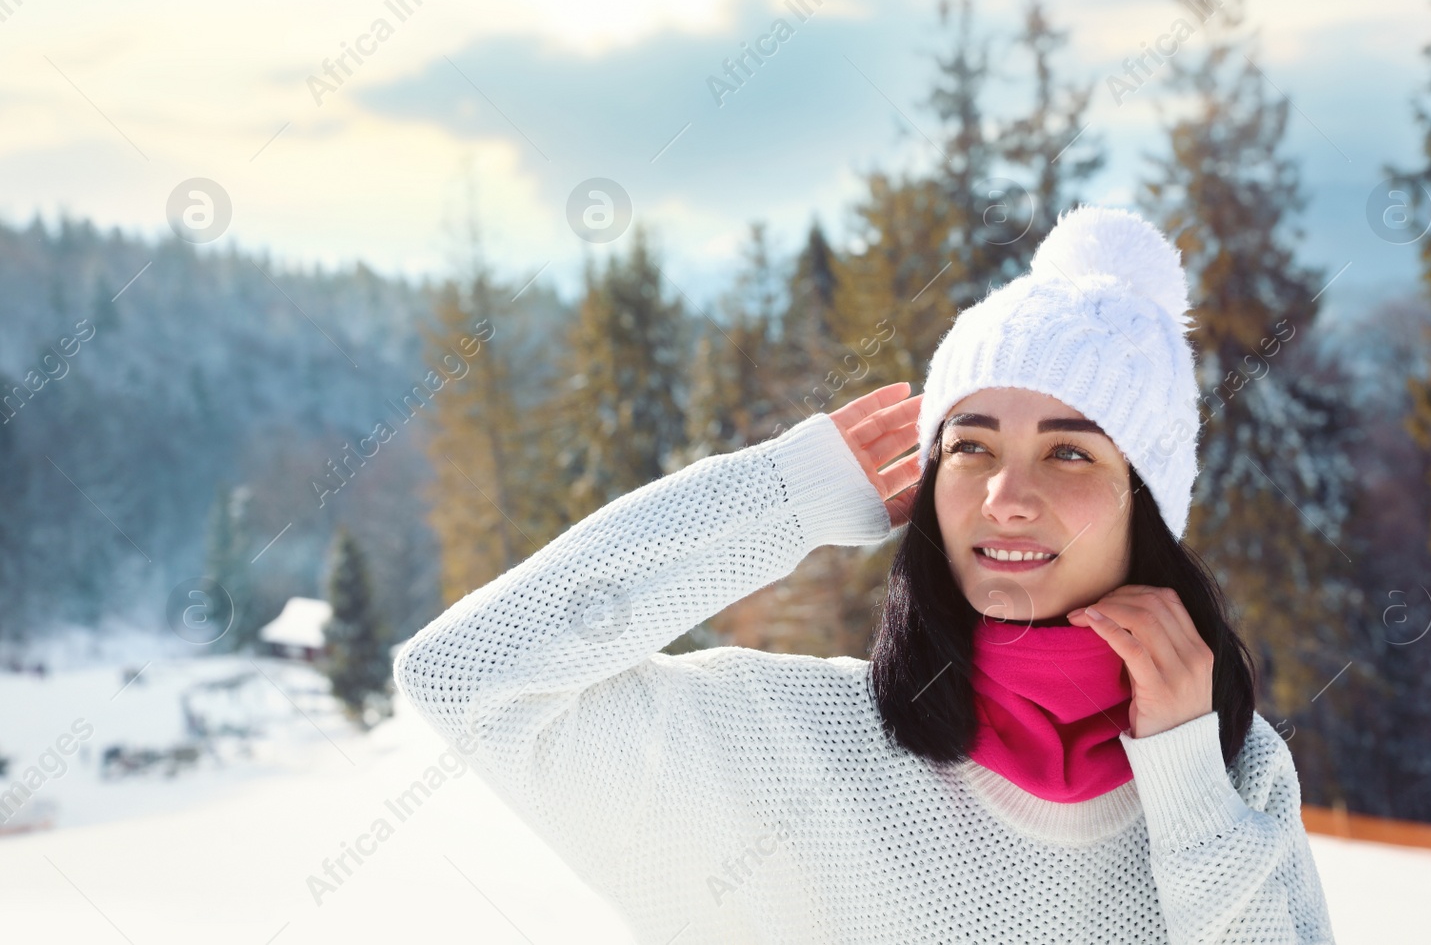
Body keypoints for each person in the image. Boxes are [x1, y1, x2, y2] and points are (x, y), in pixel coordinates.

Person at [393, 205, 1337, 943]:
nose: (1006, 495)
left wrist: (1186, 791)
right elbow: (467, 673)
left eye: (1071, 454)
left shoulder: (1233, 776)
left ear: (1151, 508)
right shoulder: (789, 746)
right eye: (969, 448)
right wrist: (783, 498)